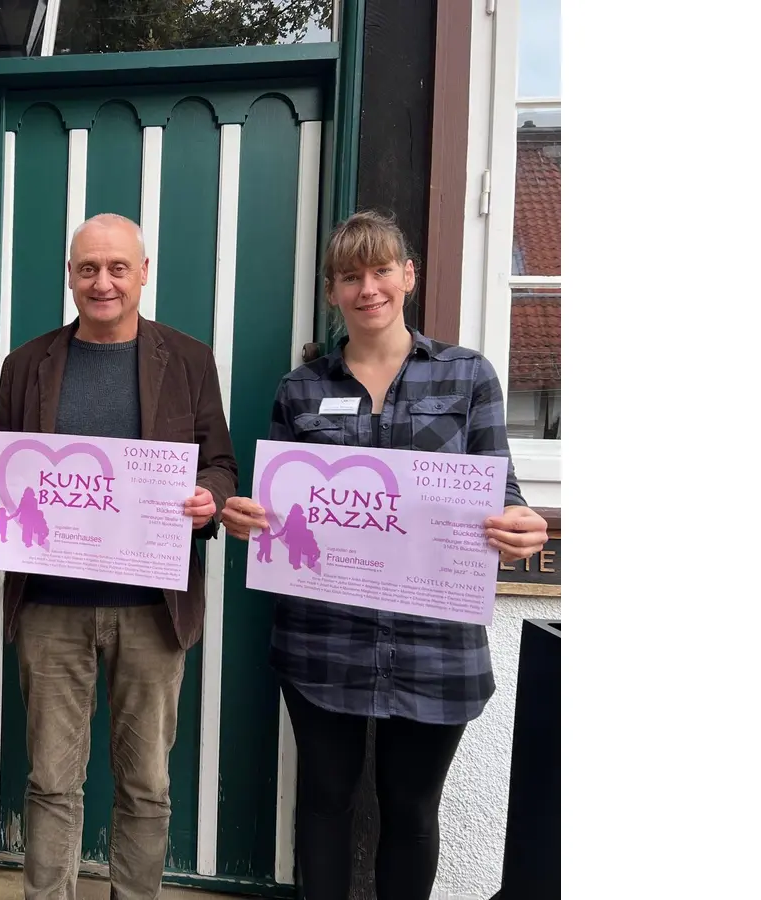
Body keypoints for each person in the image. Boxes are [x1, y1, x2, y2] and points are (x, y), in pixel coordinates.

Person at [219, 211, 550, 900]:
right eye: (349, 276)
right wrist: (253, 517)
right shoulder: (301, 389)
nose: (367, 288)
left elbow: (501, 488)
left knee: (410, 809)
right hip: (323, 635)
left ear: (408, 276)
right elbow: (282, 503)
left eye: (379, 270)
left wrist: (521, 523)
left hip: (434, 638)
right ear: (332, 291)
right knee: (323, 802)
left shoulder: (468, 377)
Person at [0, 213, 238, 900]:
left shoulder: (188, 358)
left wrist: (208, 498)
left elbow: (221, 466)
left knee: (145, 784)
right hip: (51, 607)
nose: (103, 281)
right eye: (88, 268)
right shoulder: (26, 364)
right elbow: (8, 468)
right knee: (52, 781)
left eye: (118, 267)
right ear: (70, 275)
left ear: (144, 272)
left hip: (151, 608)